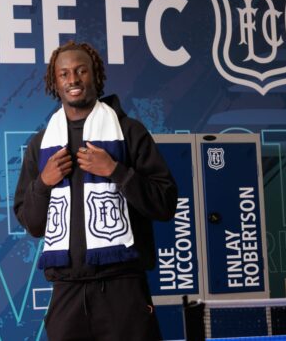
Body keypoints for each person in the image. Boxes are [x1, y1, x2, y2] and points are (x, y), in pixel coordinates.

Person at [14, 40, 177, 341]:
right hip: (67, 291)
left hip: (123, 289)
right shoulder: (41, 145)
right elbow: (33, 224)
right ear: (54, 82)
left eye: (81, 71)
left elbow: (165, 204)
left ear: (96, 76)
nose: (73, 80)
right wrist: (44, 182)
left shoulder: (129, 132)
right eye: (64, 74)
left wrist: (116, 171)